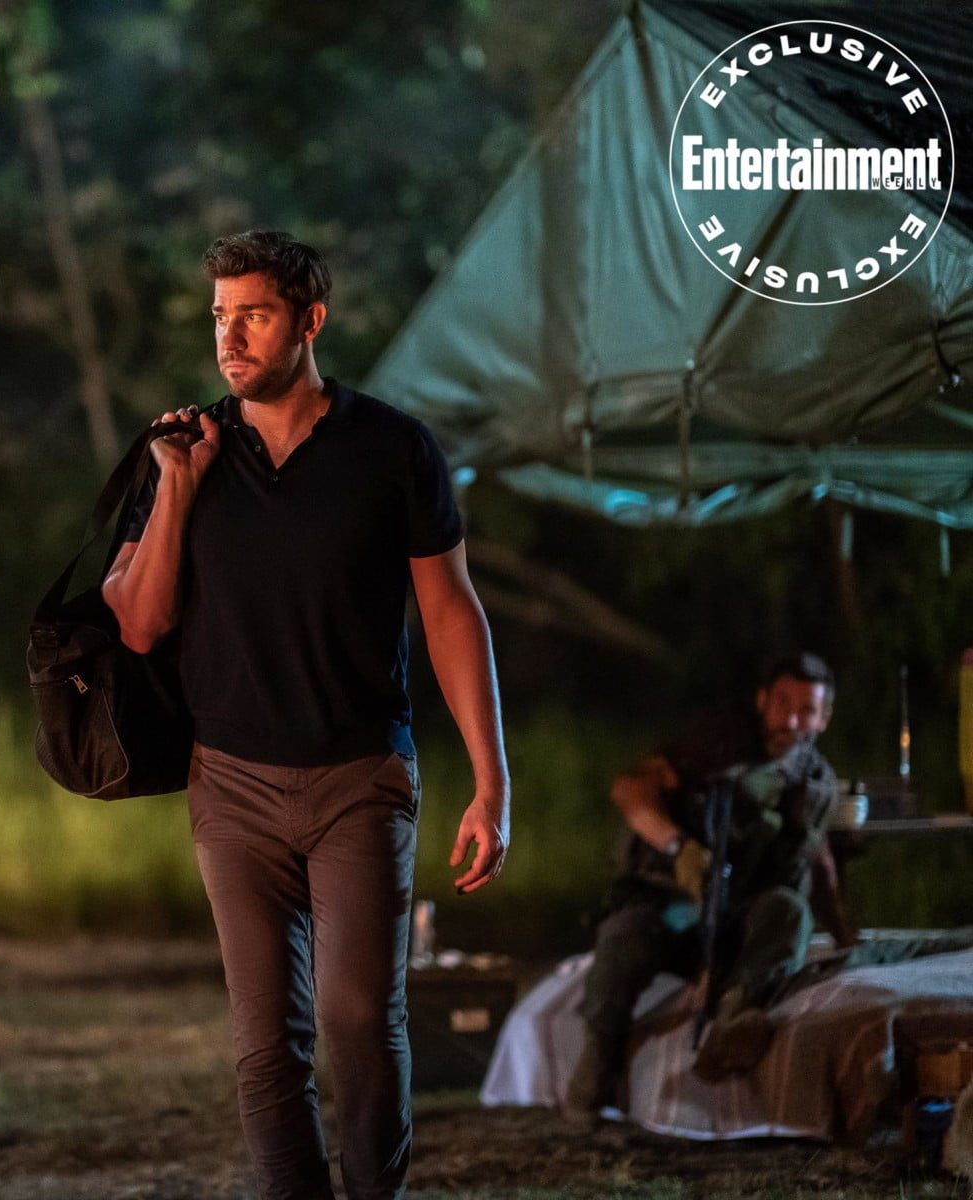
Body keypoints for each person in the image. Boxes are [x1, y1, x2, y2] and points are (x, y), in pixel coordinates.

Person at [102, 230, 510, 1200]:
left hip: (359, 779)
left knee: (359, 1021)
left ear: (309, 320)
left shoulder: (392, 448)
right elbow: (141, 622)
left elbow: (450, 613)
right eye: (220, 317)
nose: (230, 337)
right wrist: (177, 485)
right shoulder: (186, 449)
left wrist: (491, 780)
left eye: (254, 314)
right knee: (266, 1047)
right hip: (230, 784)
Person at [564, 652, 854, 1126]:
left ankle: (733, 1019)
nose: (791, 721)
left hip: (741, 919)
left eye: (807, 710)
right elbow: (630, 789)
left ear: (825, 718)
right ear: (762, 701)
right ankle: (596, 1071)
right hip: (676, 904)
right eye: (783, 705)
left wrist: (842, 932)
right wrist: (678, 846)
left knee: (789, 911)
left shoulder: (815, 781)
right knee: (626, 935)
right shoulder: (717, 746)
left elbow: (817, 859)